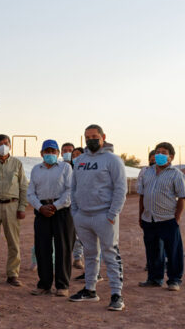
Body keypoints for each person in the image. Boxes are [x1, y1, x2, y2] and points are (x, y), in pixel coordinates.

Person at [69, 124, 127, 311]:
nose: (91, 140)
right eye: (87, 137)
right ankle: (90, 290)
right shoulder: (80, 161)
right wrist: (75, 212)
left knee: (110, 254)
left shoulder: (113, 160)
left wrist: (112, 213)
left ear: (103, 137)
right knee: (90, 254)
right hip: (83, 216)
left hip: (104, 216)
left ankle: (117, 295)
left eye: (94, 136)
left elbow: (120, 189)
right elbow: (74, 187)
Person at [27, 139, 74, 297]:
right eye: (47, 152)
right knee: (42, 248)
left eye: (53, 152)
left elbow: (70, 191)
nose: (50, 154)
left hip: (61, 211)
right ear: (41, 154)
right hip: (41, 211)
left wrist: (55, 206)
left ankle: (62, 285)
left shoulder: (65, 168)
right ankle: (44, 284)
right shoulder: (35, 170)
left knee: (63, 248)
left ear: (58, 154)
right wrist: (40, 207)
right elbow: (30, 193)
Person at [0, 134, 28, 287]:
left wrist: (22, 207)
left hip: (12, 206)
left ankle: (13, 274)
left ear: (10, 145)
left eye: (6, 143)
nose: (3, 146)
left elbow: (23, 186)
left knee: (13, 242)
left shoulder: (17, 164)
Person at [138, 142, 185, 291]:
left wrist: (176, 218)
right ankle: (154, 278)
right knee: (152, 251)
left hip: (167, 219)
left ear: (170, 157)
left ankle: (174, 280)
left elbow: (182, 197)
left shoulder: (176, 174)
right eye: (157, 152)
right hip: (148, 219)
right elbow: (142, 195)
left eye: (163, 152)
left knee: (173, 251)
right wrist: (141, 215)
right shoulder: (147, 172)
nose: (159, 154)